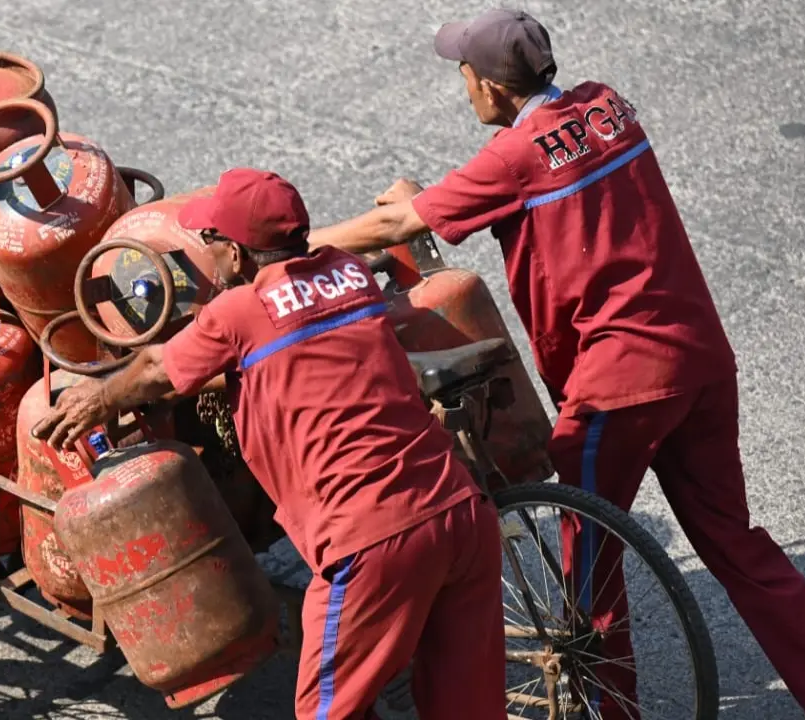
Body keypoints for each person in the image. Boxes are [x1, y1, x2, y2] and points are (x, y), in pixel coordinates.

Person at [305, 7, 805, 720]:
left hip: (618, 385)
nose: (462, 88)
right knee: (736, 540)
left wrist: (294, 248)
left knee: (589, 558)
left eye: (463, 76)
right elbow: (530, 188)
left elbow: (396, 226)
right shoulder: (605, 105)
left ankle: (611, 712)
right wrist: (430, 201)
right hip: (700, 358)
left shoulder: (510, 158)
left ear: (492, 88)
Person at [32, 167, 508, 720]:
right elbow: (294, 345)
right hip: (461, 512)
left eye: (209, 240)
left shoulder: (238, 312)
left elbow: (159, 368)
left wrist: (102, 398)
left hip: (372, 540)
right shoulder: (350, 274)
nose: (204, 251)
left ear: (235, 255)